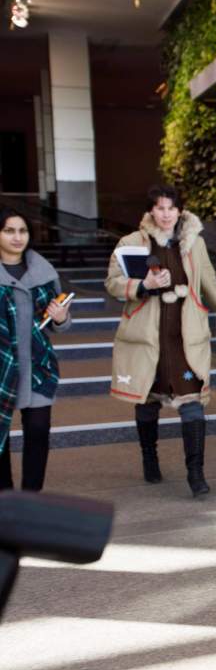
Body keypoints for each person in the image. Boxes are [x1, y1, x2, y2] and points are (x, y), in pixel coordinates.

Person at [105, 186, 216, 498]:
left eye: (171, 208)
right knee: (147, 402)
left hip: (184, 342)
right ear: (151, 211)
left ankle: (196, 473)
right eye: (160, 208)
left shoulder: (195, 243)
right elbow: (112, 283)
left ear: (180, 211)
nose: (165, 214)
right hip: (148, 340)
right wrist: (144, 284)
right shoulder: (131, 243)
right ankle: (149, 458)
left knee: (192, 403)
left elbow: (209, 281)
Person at [0, 209, 70, 492]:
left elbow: (57, 324)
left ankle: (31, 500)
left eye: (23, 231)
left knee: (39, 433)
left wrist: (61, 317)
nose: (18, 237)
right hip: (2, 370)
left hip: (37, 368)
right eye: (9, 231)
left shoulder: (43, 272)